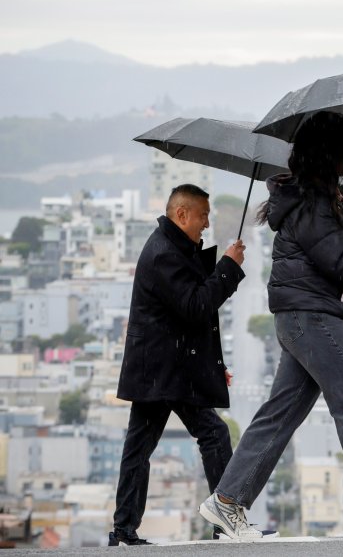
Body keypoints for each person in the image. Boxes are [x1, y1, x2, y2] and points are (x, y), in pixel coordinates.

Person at [199, 111, 343, 540]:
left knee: (280, 414)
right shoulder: (311, 205)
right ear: (332, 151)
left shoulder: (326, 200)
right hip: (312, 318)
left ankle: (227, 501)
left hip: (303, 317)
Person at [111, 184, 246, 546]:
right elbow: (196, 307)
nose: (206, 222)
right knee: (213, 435)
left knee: (139, 447)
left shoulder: (171, 246)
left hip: (161, 366)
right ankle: (227, 520)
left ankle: (124, 530)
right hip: (164, 370)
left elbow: (187, 314)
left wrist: (212, 368)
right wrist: (229, 267)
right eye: (202, 214)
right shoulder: (164, 253)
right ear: (181, 214)